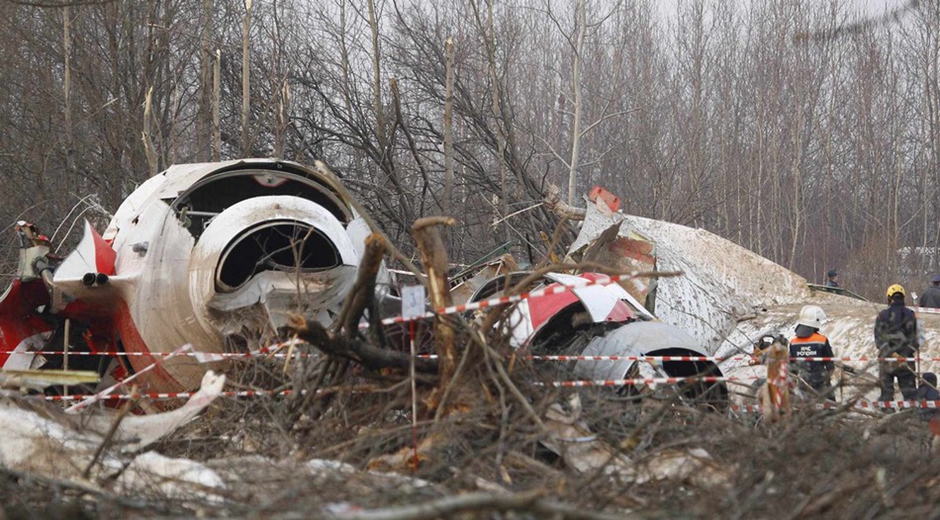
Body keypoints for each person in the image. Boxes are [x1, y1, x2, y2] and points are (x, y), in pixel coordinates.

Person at [874, 284, 920, 401]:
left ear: (889, 298)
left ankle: (887, 415)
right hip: (906, 361)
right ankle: (910, 416)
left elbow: (879, 340)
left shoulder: (882, 315)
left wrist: (892, 353)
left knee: (886, 397)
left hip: (887, 360)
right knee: (910, 398)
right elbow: (916, 340)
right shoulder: (911, 315)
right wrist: (904, 354)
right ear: (903, 297)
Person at [789, 305, 835, 400]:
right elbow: (830, 363)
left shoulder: (793, 342)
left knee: (806, 411)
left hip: (803, 384)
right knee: (830, 409)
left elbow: (792, 368)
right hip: (822, 383)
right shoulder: (822, 340)